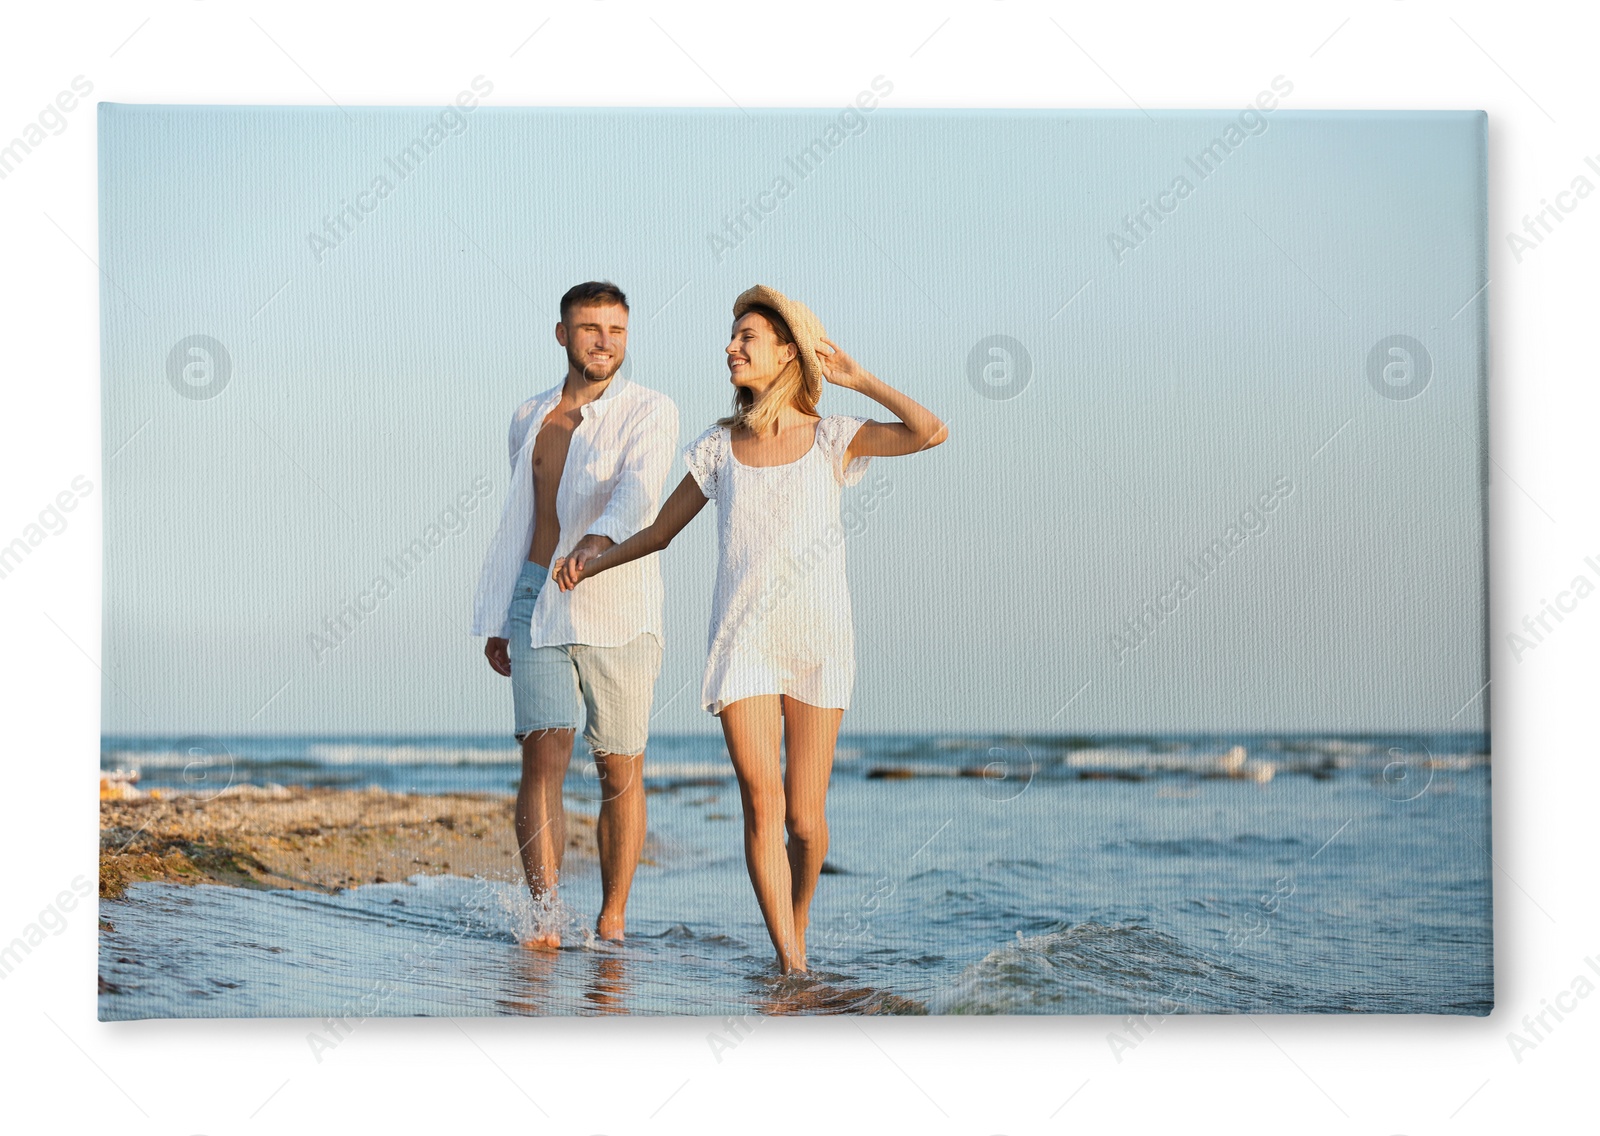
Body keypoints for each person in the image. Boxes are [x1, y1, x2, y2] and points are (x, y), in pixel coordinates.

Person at [553, 285, 947, 973]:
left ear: (787, 353)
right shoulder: (718, 447)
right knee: (762, 808)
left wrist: (857, 379)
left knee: (803, 820)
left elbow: (929, 430)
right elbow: (660, 533)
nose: (731, 347)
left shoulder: (832, 437)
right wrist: (595, 557)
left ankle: (797, 925)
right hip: (744, 645)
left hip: (819, 643)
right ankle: (791, 964)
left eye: (748, 338)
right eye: (732, 336)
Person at [471, 280, 679, 948]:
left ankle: (612, 919)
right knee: (543, 757)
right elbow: (522, 517)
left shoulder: (651, 409)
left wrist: (599, 540)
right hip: (537, 597)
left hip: (614, 601)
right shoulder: (529, 416)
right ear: (563, 334)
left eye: (616, 330)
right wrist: (504, 611)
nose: (604, 342)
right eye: (590, 328)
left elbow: (640, 490)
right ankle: (545, 917)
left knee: (619, 767)